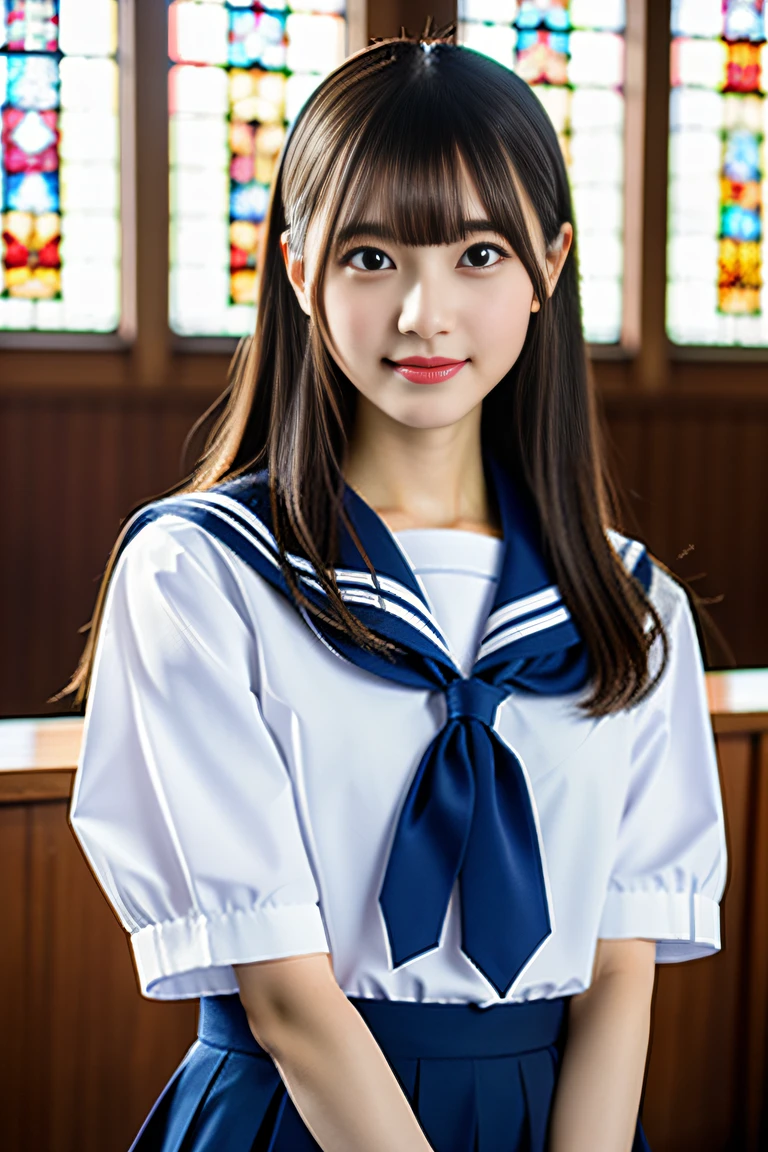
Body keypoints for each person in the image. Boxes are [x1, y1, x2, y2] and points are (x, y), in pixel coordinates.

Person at [62, 24, 728, 1152]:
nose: (425, 314)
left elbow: (621, 968)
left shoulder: (630, 601)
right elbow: (287, 999)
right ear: (298, 268)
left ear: (549, 268)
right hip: (295, 1116)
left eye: (478, 255)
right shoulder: (201, 577)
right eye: (373, 258)